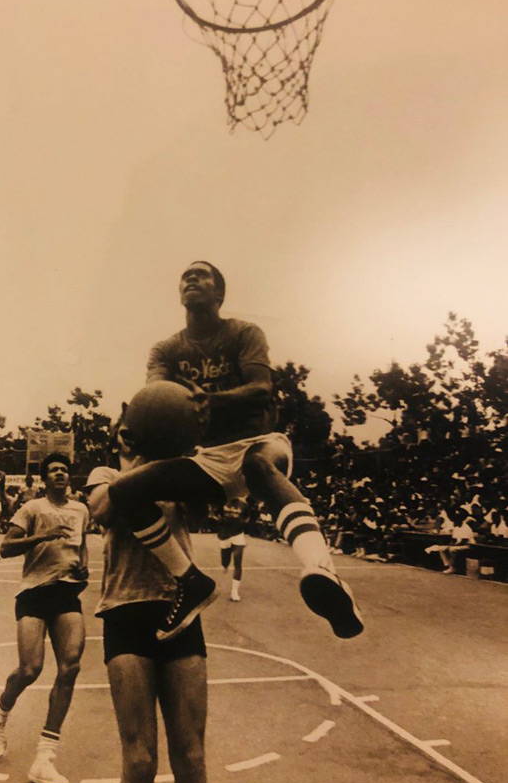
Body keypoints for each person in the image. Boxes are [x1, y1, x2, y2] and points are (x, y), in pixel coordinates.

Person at [106, 260, 363, 641]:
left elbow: (261, 388)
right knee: (124, 490)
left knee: (259, 466)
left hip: (256, 442)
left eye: (201, 275)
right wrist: (137, 424)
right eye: (185, 276)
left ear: (219, 294)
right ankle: (190, 581)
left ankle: (322, 569)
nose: (191, 279)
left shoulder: (243, 333)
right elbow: (154, 396)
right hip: (205, 459)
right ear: (180, 294)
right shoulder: (165, 349)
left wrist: (211, 400)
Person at [86, 428, 212, 783]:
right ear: (119, 439)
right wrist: (148, 463)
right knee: (139, 760)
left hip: (180, 608)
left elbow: (204, 514)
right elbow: (101, 510)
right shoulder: (105, 473)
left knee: (191, 758)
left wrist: (184, 460)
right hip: (125, 610)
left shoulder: (176, 471)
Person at [0, 453, 88, 783]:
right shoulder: (31, 509)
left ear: (68, 477)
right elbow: (6, 546)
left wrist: (83, 568)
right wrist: (39, 538)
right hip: (34, 592)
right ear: (44, 479)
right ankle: (1, 712)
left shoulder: (81, 510)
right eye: (53, 470)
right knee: (30, 669)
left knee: (70, 666)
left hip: (67, 592)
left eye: (63, 469)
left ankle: (45, 755)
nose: (59, 473)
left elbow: (81, 546)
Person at [216, 495, 249, 601]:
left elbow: (248, 518)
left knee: (237, 562)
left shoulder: (244, 504)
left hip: (238, 535)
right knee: (225, 561)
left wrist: (241, 525)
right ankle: (225, 565)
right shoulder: (221, 502)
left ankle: (234, 592)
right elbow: (216, 515)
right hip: (224, 534)